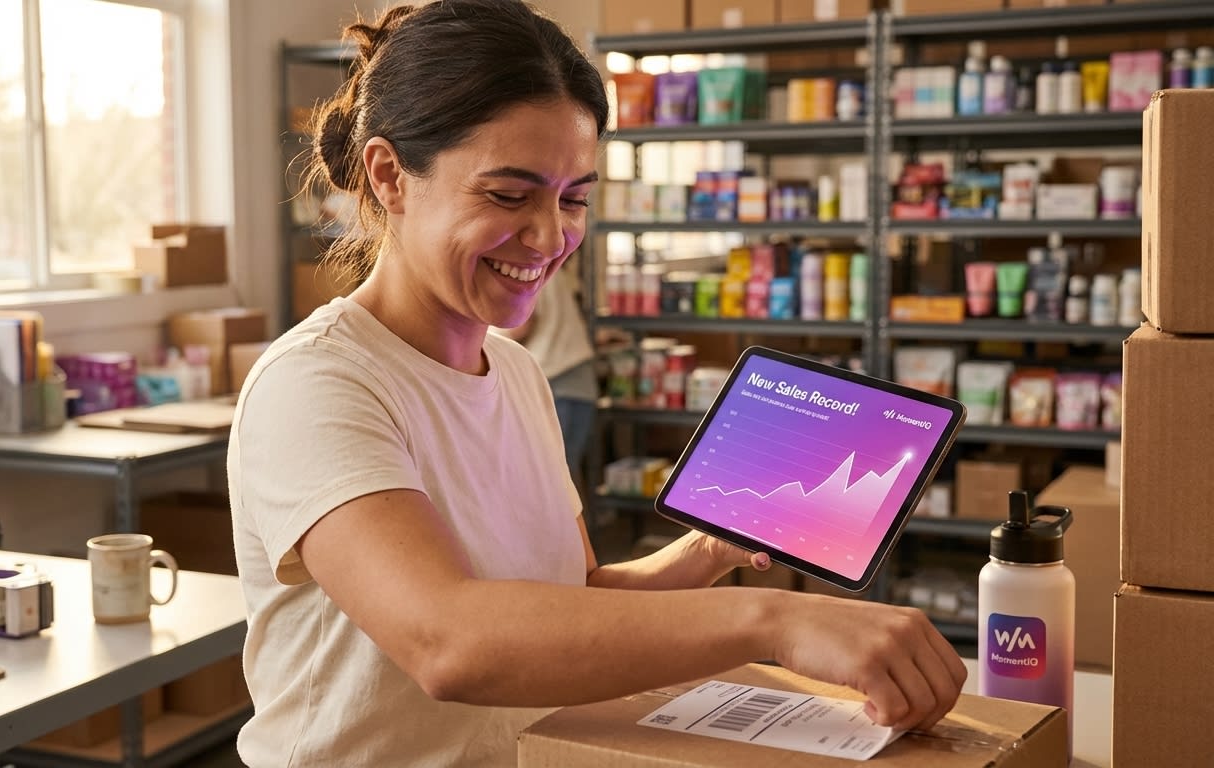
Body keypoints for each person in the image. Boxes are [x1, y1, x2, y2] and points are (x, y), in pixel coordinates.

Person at [227, 2, 966, 766]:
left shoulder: (514, 371)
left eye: (574, 196)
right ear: (390, 176)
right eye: (508, 196)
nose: (551, 237)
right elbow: (447, 641)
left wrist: (707, 551)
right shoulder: (315, 384)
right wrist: (773, 621)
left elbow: (576, 600)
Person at [492, 255, 597, 489]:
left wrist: (484, 339)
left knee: (552, 483)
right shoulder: (547, 265)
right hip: (578, 380)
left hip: (555, 381)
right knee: (565, 480)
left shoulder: (517, 267)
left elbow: (519, 327)